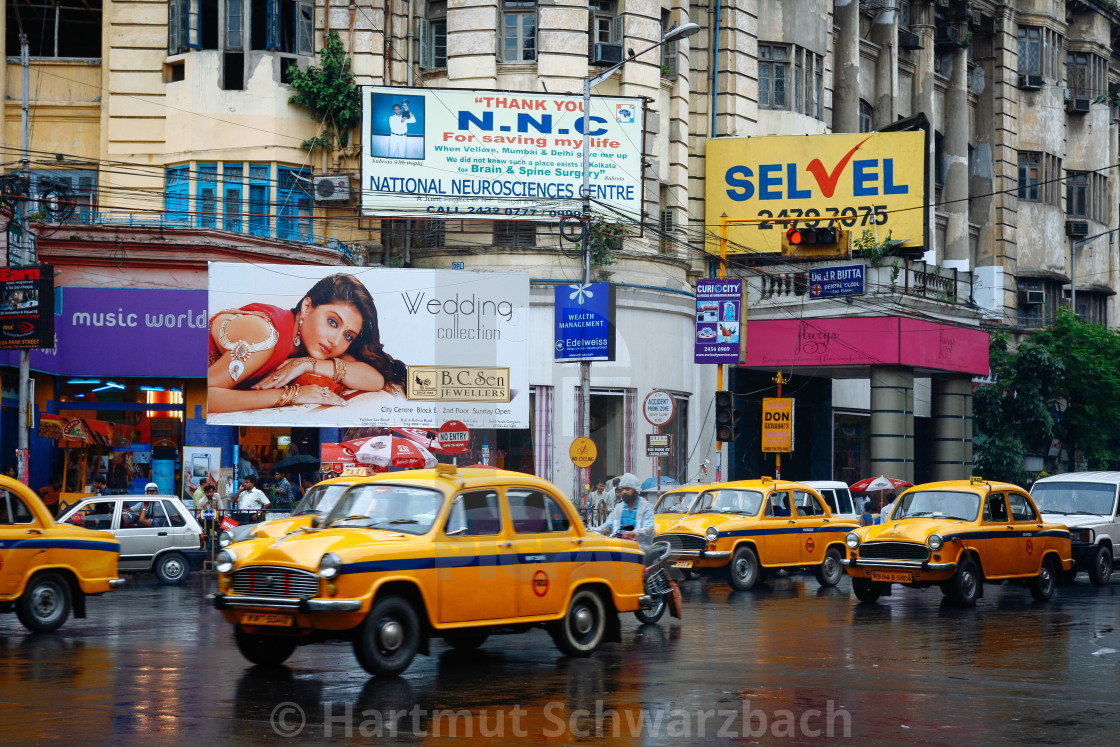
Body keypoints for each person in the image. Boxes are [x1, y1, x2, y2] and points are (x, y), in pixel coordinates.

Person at [207, 274, 408, 414]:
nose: (336, 341)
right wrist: (292, 395)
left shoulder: (313, 348)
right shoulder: (265, 334)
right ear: (307, 307)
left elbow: (375, 380)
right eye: (332, 322)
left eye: (348, 335)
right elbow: (205, 398)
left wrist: (307, 364)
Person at [591, 473, 655, 548]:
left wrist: (633, 533)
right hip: (619, 547)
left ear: (636, 491)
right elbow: (607, 525)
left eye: (627, 489)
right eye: (623, 489)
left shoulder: (645, 507)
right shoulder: (619, 508)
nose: (624, 492)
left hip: (640, 549)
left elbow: (649, 528)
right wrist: (591, 531)